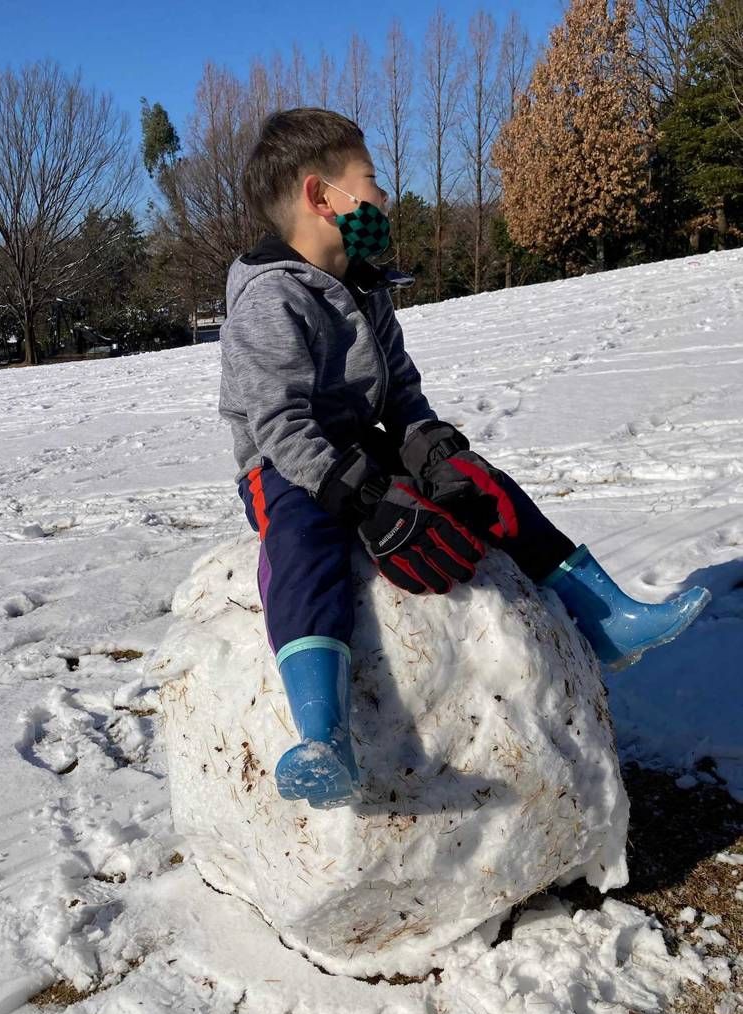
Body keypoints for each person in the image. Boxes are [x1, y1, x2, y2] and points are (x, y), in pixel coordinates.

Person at [219, 108, 709, 811]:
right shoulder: (271, 299)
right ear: (320, 196)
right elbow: (279, 423)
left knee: (481, 484)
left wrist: (425, 443)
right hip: (286, 464)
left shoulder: (364, 281)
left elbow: (402, 386)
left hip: (361, 442)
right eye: (371, 180)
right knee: (303, 544)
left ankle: (604, 617)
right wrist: (362, 499)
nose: (383, 196)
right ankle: (324, 733)